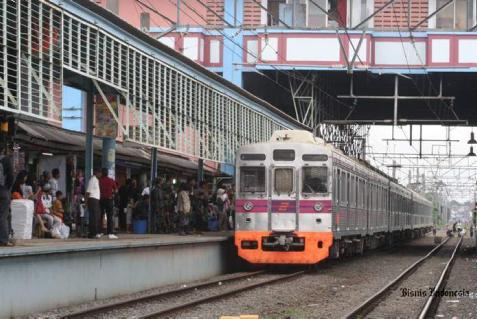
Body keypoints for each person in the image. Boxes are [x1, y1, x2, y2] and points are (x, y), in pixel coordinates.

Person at [99, 168, 118, 239]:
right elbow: (116, 190)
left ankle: (100, 232)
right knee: (110, 216)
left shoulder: (99, 180)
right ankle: (110, 233)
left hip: (101, 200)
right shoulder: (111, 180)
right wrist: (112, 193)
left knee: (100, 215)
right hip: (109, 200)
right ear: (107, 173)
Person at [0, 150, 14, 246]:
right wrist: (6, 189)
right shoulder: (5, 159)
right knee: (3, 215)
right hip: (2, 189)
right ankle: (3, 240)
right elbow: (10, 177)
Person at [86, 168, 102, 239]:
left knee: (96, 216)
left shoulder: (96, 180)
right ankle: (93, 233)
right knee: (93, 217)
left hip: (96, 200)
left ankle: (95, 232)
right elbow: (88, 192)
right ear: (97, 172)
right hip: (92, 200)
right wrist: (86, 202)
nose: (101, 174)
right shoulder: (92, 180)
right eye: (100, 173)